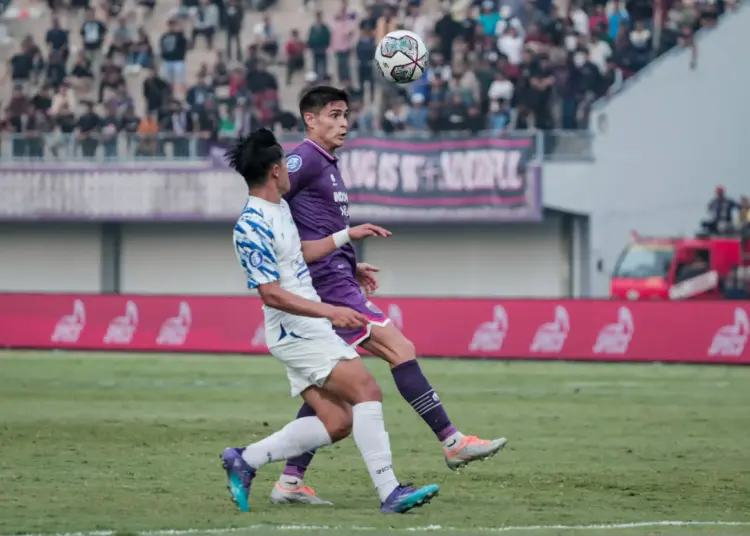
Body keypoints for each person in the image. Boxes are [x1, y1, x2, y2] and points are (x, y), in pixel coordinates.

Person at [270, 86, 507, 505]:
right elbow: (270, 207)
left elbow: (314, 226)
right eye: (334, 114)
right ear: (310, 120)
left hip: (336, 277)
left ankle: (290, 481)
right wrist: (300, 264)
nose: (344, 122)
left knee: (336, 388)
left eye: (346, 115)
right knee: (401, 349)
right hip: (326, 287)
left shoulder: (326, 164)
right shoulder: (302, 159)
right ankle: (451, 441)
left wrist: (349, 262)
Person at [222, 128, 440, 514]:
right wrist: (331, 311)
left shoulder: (279, 210)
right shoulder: (250, 225)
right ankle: (390, 491)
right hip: (297, 328)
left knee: (338, 421)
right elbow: (270, 292)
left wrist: (346, 240)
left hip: (306, 326)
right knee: (367, 392)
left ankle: (246, 460)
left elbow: (300, 253)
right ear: (275, 171)